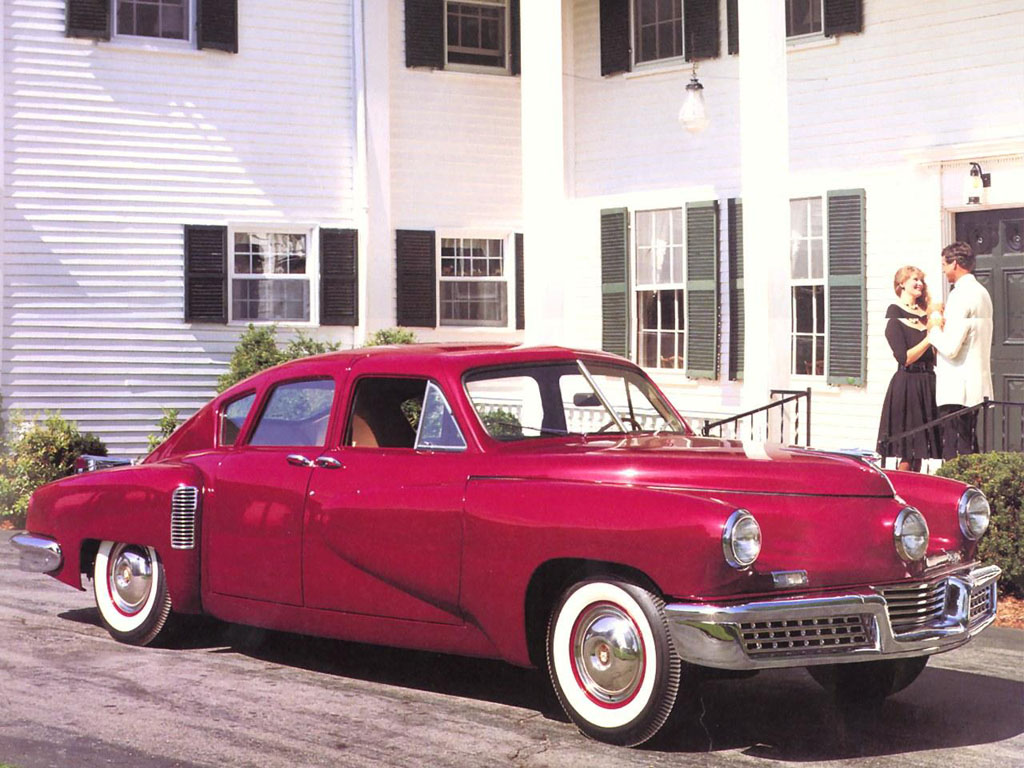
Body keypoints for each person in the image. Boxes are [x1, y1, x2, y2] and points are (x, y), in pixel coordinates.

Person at [927, 241, 994, 458]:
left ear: (955, 263)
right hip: (975, 385)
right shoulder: (982, 292)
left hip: (957, 388)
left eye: (944, 265)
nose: (944, 270)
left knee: (954, 448)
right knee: (969, 443)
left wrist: (934, 325)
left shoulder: (960, 295)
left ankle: (956, 491)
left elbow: (950, 347)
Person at [876, 266, 941, 471]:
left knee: (921, 448)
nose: (919, 283)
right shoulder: (894, 315)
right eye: (915, 279)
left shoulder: (928, 315)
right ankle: (900, 492)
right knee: (907, 450)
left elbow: (936, 356)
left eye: (921, 280)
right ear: (901, 283)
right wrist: (930, 337)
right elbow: (905, 358)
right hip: (907, 385)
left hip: (927, 383)